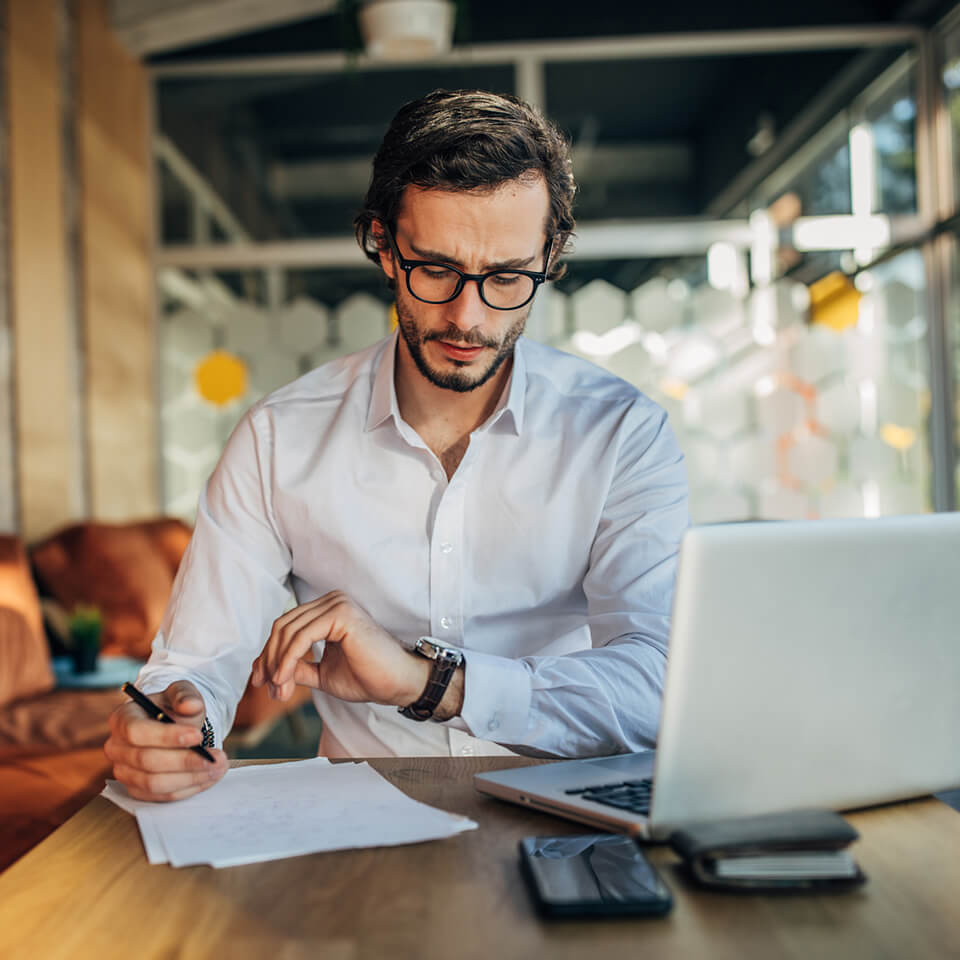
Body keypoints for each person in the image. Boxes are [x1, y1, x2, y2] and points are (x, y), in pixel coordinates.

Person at [104, 89, 689, 803]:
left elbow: (658, 689)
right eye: (435, 269)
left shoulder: (623, 435)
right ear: (382, 243)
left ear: (550, 256)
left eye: (506, 277)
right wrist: (171, 726)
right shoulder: (279, 439)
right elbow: (197, 661)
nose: (467, 317)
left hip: (572, 818)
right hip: (361, 818)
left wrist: (429, 682)